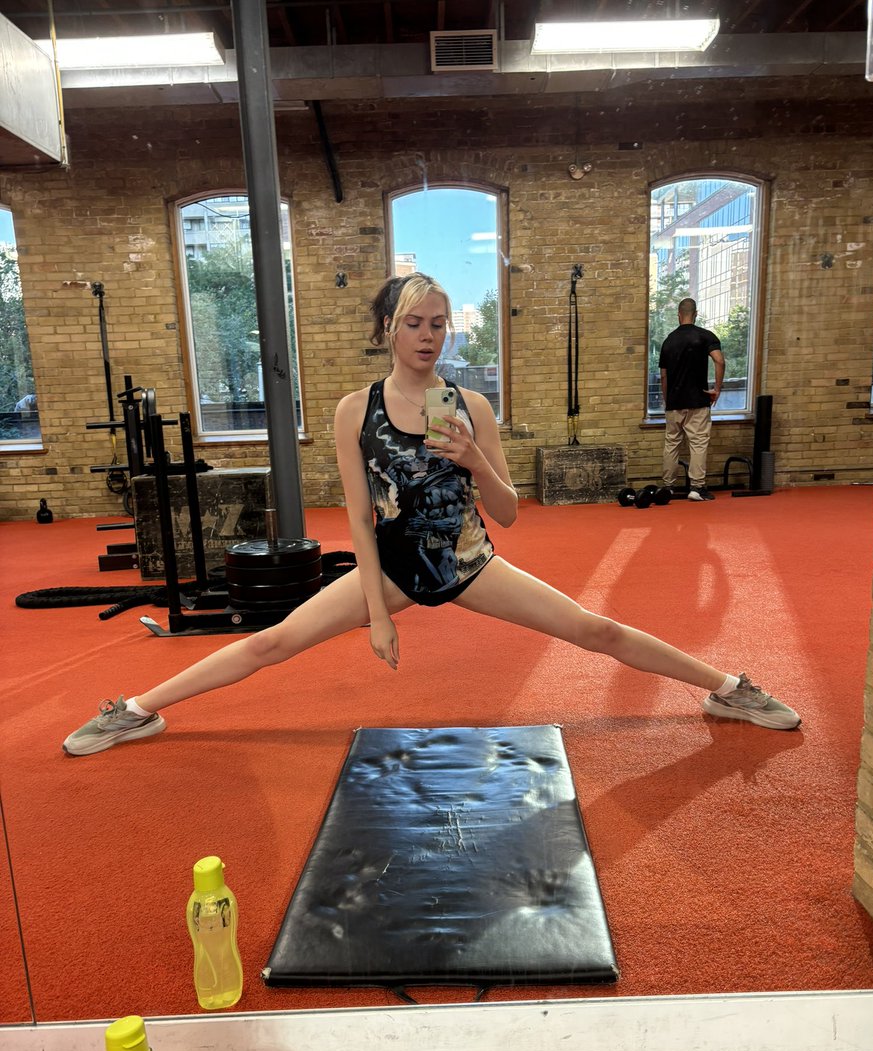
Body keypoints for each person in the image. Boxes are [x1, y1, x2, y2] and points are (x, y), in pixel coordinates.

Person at [63, 273, 799, 756]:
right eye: (414, 322)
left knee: (594, 630)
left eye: (440, 324)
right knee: (273, 642)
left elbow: (507, 514)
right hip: (391, 570)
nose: (428, 335)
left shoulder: (471, 405)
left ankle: (727, 689)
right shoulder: (355, 410)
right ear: (389, 327)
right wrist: (377, 617)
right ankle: (137, 709)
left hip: (469, 560)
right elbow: (358, 519)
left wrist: (474, 459)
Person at [659, 298, 724, 502]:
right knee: (698, 443)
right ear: (695, 314)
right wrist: (717, 389)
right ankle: (697, 488)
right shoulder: (705, 336)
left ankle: (668, 487)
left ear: (679, 315)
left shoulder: (668, 341)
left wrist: (668, 400)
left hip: (674, 402)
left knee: (672, 444)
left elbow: (663, 376)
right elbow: (719, 360)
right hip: (698, 401)